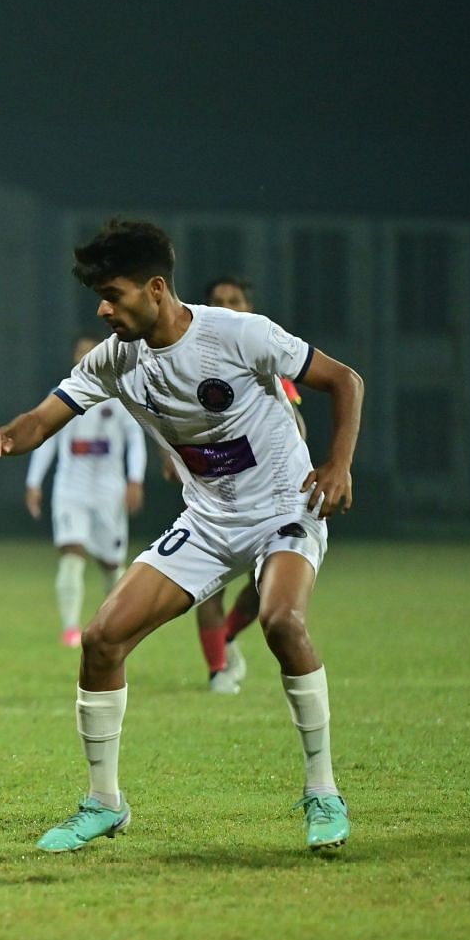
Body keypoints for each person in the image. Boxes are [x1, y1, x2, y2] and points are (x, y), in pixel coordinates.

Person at [0, 219, 364, 853]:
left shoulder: (237, 334)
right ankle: (103, 803)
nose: (103, 308)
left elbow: (345, 380)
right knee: (101, 638)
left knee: (282, 622)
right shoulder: (115, 358)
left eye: (113, 293)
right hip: (206, 521)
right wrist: (3, 438)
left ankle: (323, 790)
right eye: (97, 295)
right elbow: (40, 421)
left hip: (286, 505)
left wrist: (337, 464)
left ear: (155, 288)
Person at [185, 276, 309, 694]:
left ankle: (228, 635)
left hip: (269, 494)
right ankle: (217, 670)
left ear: (249, 307)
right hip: (212, 487)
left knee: (263, 590)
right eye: (218, 301)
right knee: (208, 585)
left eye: (234, 300)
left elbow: (295, 419)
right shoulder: (191, 357)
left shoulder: (264, 357)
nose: (227, 307)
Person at [23, 334, 146, 646]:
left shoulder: (119, 395)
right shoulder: (61, 395)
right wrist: (33, 482)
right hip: (71, 487)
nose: (84, 357)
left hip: (109, 489)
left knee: (111, 563)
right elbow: (45, 440)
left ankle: (117, 627)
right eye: (80, 352)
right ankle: (70, 628)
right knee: (71, 552)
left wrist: (135, 479)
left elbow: (136, 440)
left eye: (90, 352)